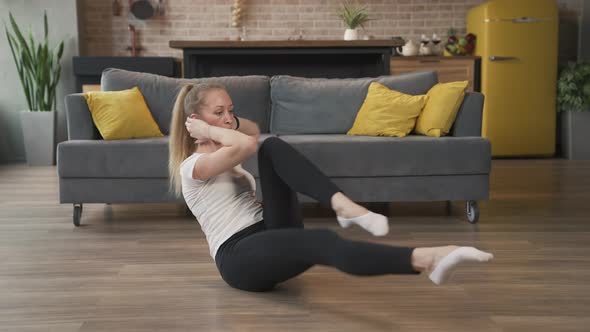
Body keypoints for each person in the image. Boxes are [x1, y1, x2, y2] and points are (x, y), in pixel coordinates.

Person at [168, 83, 494, 293]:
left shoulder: (227, 149)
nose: (229, 118)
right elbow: (244, 144)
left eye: (231, 110)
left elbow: (251, 137)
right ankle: (426, 259)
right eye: (219, 112)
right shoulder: (193, 167)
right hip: (238, 258)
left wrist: (218, 123)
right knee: (323, 240)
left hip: (267, 233)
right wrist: (207, 129)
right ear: (195, 119)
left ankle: (342, 204)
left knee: (273, 147)